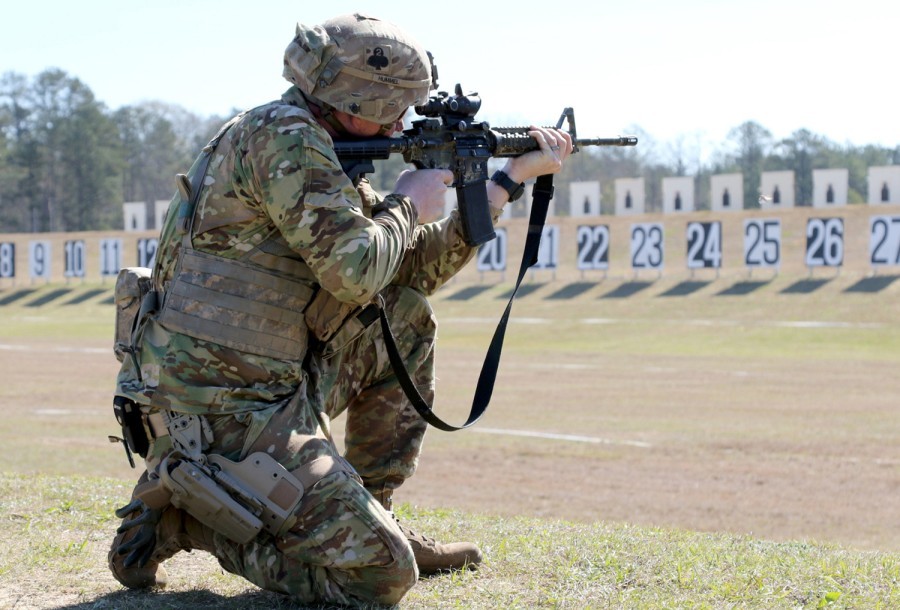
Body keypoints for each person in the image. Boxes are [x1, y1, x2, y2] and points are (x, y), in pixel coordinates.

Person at [108, 12, 572, 607]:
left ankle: (374, 509)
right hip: (215, 408)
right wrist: (406, 204)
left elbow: (409, 273)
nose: (402, 121)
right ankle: (187, 520)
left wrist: (507, 181)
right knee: (379, 577)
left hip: (270, 388)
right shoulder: (282, 137)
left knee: (403, 317)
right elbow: (355, 273)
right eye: (392, 106)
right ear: (351, 95)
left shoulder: (323, 153)